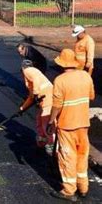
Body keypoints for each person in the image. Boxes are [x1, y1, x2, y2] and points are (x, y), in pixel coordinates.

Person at [47, 49, 95, 201]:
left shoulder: (60, 80)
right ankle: (83, 187)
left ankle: (68, 191)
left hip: (67, 125)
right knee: (82, 155)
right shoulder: (85, 76)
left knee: (68, 157)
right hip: (83, 123)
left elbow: (56, 105)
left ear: (61, 64)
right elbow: (91, 96)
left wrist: (50, 121)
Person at [19, 60, 54, 155]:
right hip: (45, 98)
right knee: (39, 118)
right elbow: (30, 98)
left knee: (45, 120)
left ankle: (51, 144)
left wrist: (36, 92)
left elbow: (36, 81)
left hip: (48, 97)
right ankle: (42, 140)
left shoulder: (29, 70)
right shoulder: (31, 78)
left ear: (23, 68)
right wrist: (23, 108)